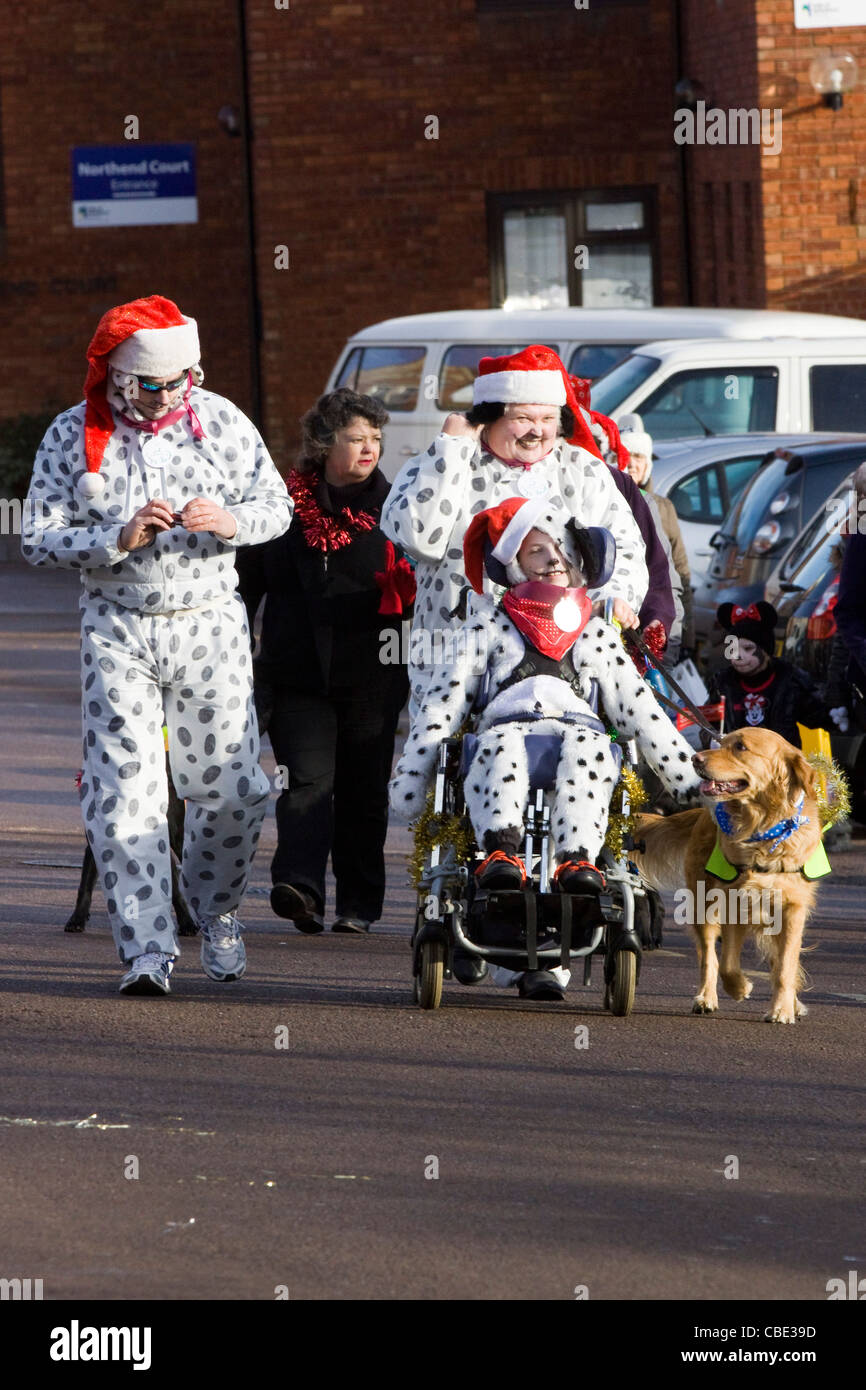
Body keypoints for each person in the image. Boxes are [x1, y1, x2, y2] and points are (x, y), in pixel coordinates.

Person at [21, 295, 292, 996]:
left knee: (232, 789)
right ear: (119, 377)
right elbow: (37, 538)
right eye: (152, 384)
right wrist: (116, 537)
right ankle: (147, 948)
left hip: (209, 622)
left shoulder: (223, 422)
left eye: (180, 381)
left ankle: (218, 907)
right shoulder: (71, 434)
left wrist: (231, 520)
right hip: (118, 627)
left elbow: (278, 507)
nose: (168, 395)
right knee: (124, 797)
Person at [390, 497, 701, 1001]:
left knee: (593, 747)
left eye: (561, 549)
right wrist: (413, 772)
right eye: (538, 551)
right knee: (500, 743)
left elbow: (640, 710)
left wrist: (686, 776)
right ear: (514, 563)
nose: (554, 558)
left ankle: (577, 860)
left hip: (578, 733)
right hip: (504, 731)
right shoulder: (488, 624)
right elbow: (441, 705)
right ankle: (499, 853)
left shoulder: (596, 631)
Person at [379, 345, 649, 713]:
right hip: (457, 660)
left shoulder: (581, 468)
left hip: (564, 660)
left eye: (548, 418)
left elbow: (625, 547)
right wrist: (451, 449)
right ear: (488, 418)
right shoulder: (444, 459)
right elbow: (418, 540)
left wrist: (617, 597)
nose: (538, 430)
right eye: (523, 418)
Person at [236, 388, 414, 935]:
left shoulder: (401, 506)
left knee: (363, 792)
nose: (369, 449)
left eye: (376, 439)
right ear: (322, 442)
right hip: (296, 674)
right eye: (355, 438)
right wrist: (235, 649)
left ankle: (359, 905)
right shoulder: (281, 505)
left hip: (374, 676)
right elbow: (245, 587)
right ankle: (301, 888)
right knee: (305, 782)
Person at [706, 602, 831, 748]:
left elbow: (817, 715)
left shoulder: (790, 680)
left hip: (779, 763)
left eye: (748, 648)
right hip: (735, 764)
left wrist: (837, 710)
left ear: (766, 651)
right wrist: (712, 738)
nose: (738, 656)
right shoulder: (723, 683)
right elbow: (708, 722)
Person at [620, 423, 695, 658]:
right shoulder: (603, 501)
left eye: (639, 456)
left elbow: (679, 571)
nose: (631, 463)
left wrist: (686, 638)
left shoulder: (662, 507)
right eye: (625, 455)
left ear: (648, 465)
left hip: (654, 619)